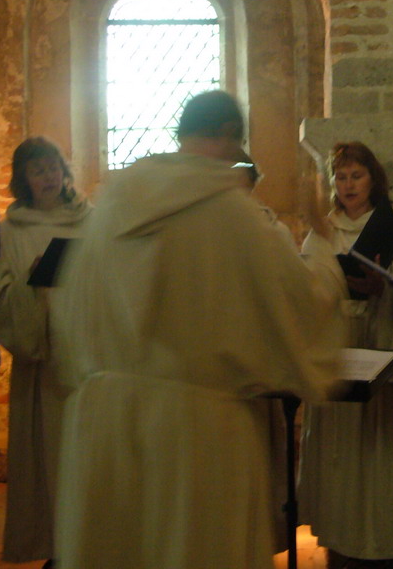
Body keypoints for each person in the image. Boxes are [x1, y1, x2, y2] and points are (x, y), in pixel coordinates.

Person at [51, 90, 345, 569]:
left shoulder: (113, 201)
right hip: (195, 437)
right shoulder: (230, 211)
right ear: (231, 135)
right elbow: (302, 309)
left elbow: (71, 312)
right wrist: (325, 243)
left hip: (105, 426)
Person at [298, 142, 393, 567]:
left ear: (373, 179)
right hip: (338, 344)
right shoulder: (324, 231)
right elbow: (305, 290)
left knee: (376, 448)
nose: (348, 185)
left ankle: (382, 540)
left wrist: (384, 288)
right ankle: (341, 538)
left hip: (378, 337)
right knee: (341, 450)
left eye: (356, 175)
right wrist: (337, 285)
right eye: (341, 177)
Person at [0, 137, 92, 567]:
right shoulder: (9, 232)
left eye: (52, 167)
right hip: (45, 362)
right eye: (37, 170)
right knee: (52, 460)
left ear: (64, 173)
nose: (47, 176)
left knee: (89, 456)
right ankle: (55, 549)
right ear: (23, 180)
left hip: (86, 358)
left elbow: (111, 277)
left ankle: (92, 542)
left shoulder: (92, 221)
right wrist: (32, 286)